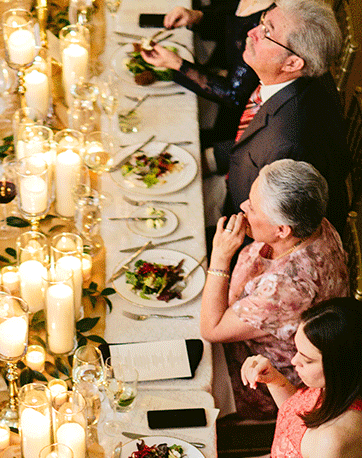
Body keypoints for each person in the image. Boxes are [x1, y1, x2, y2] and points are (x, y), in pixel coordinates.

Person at [199, 159, 348, 418]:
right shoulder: (313, 222)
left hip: (261, 374)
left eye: (253, 208)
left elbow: (211, 329)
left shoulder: (285, 288)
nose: (244, 207)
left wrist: (220, 257)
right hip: (256, 325)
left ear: (282, 229)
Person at [185, 298, 362, 458]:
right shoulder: (333, 387)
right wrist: (276, 381)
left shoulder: (336, 440)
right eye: (296, 350)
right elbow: (299, 425)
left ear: (339, 366)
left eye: (307, 360)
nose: (294, 361)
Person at [207, 0, 349, 234]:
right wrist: (210, 158)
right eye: (261, 22)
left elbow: (274, 232)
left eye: (267, 32)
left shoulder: (288, 145)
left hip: (251, 227)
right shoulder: (297, 77)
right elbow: (252, 140)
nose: (252, 32)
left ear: (293, 63)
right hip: (237, 181)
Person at [141, 0, 269, 145]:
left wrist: (178, 65)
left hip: (240, 119)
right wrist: (197, 17)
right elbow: (229, 25)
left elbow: (234, 95)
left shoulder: (268, 21)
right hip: (220, 72)